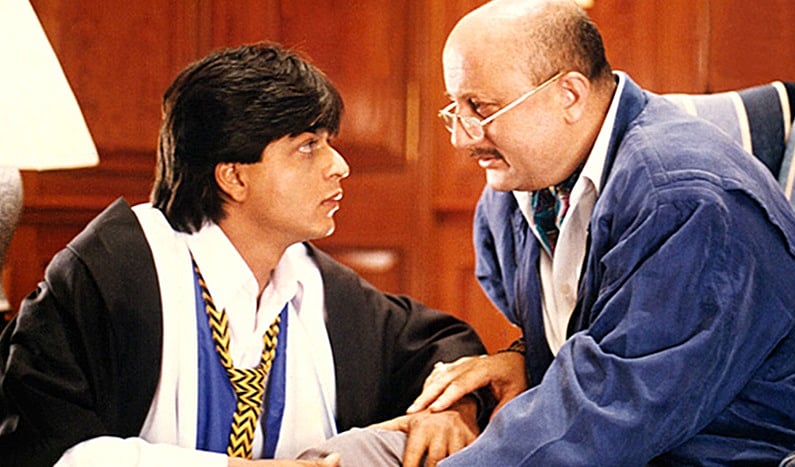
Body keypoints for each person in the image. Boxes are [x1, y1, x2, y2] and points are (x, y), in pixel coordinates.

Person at [0, 42, 488, 467]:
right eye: (308, 146)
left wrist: (449, 410)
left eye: (329, 143)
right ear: (233, 176)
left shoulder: (315, 284)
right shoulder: (112, 273)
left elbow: (439, 345)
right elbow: (44, 447)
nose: (339, 166)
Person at [403, 0, 795, 464]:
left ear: (569, 94)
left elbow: (617, 407)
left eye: (481, 108)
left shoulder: (683, 199)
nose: (462, 137)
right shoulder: (517, 186)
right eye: (455, 108)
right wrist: (522, 358)